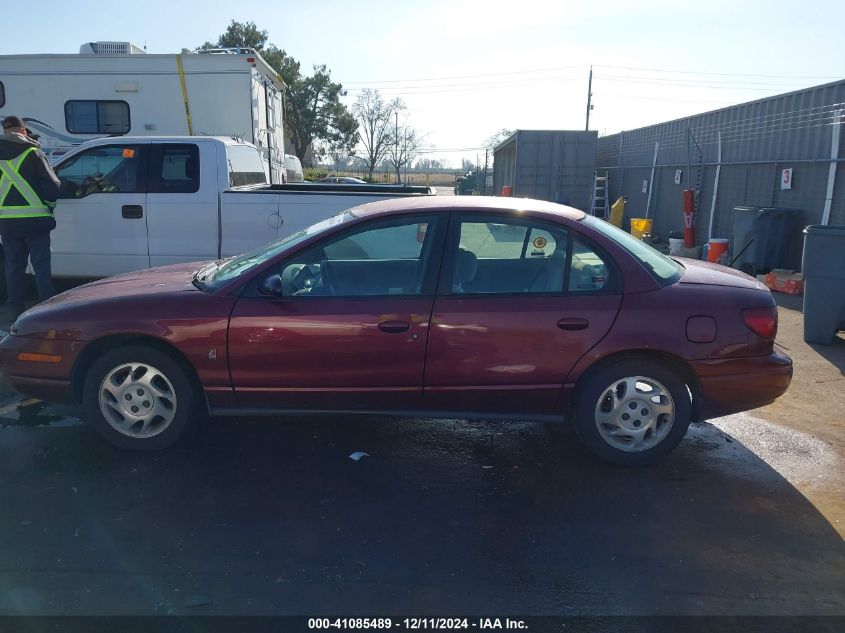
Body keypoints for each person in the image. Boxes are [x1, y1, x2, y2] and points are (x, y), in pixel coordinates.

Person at [0, 115, 60, 319]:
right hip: (36, 222)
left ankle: (16, 311)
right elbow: (53, 185)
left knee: (14, 268)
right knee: (41, 266)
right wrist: (49, 207)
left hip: (7, 224)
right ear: (24, 130)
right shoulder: (33, 153)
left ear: (4, 131)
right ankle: (45, 312)